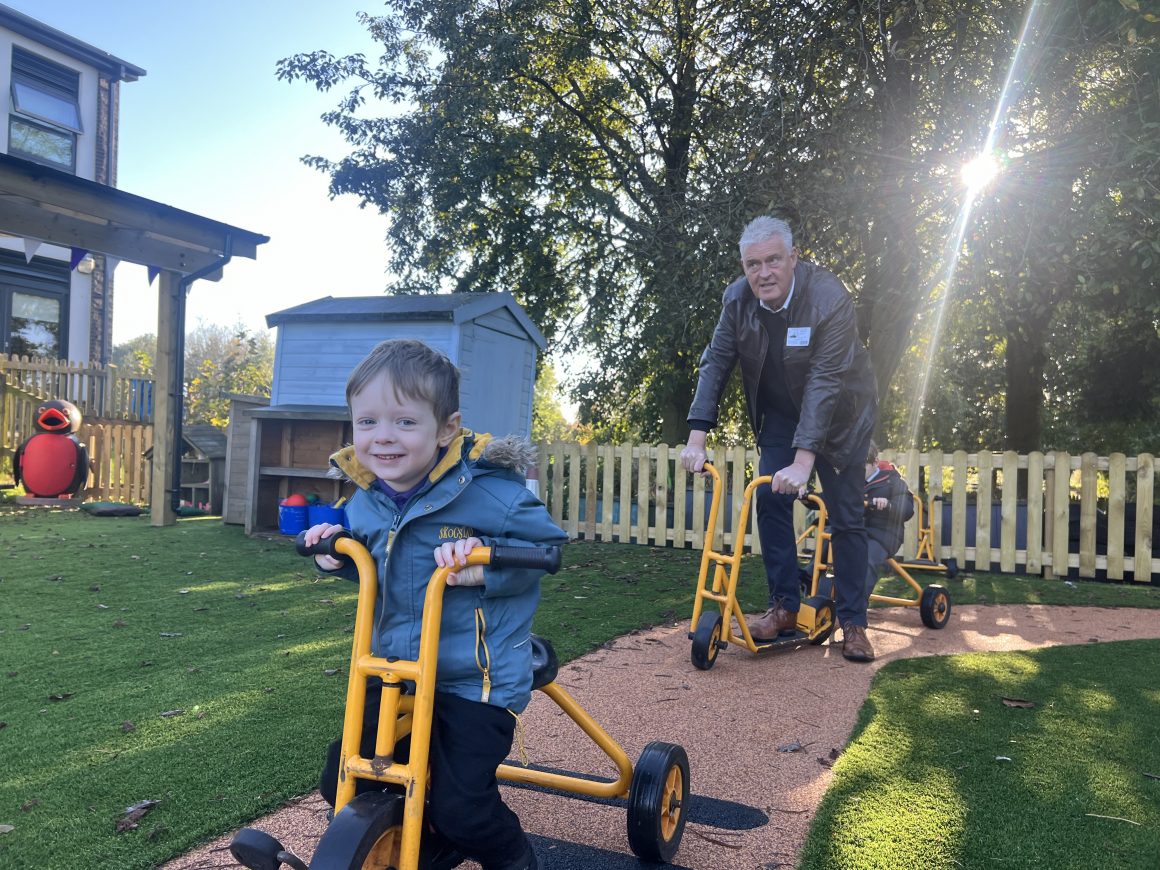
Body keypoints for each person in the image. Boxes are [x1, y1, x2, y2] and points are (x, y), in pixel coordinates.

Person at [302, 338, 566, 870]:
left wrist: (484, 565)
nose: (382, 438)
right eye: (367, 422)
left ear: (447, 427)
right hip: (398, 670)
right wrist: (334, 553)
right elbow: (369, 560)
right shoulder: (367, 501)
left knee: (460, 803)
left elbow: (548, 551)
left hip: (474, 678)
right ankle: (427, 845)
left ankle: (513, 859)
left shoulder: (494, 496)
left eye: (403, 422)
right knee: (343, 775)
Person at [680, 215, 879, 662]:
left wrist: (805, 462)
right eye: (753, 264)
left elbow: (827, 381)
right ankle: (786, 606)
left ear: (793, 258)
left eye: (773, 260)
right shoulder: (737, 301)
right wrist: (696, 438)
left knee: (846, 517)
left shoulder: (829, 298)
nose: (763, 273)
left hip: (844, 418)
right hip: (782, 415)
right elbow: (715, 364)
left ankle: (853, 622)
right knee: (769, 499)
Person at [863, 441, 915, 603]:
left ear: (875, 463)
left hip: (885, 534)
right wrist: (808, 496)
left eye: (861, 466)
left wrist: (889, 504)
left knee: (867, 559)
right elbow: (830, 498)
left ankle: (855, 610)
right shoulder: (853, 482)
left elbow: (907, 508)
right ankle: (808, 577)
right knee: (828, 539)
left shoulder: (893, 481)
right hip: (858, 531)